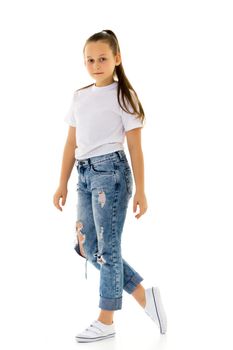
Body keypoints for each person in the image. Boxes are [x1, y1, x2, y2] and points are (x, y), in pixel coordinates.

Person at [53, 29, 167, 343]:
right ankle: (145, 297)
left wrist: (141, 189)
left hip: (111, 174)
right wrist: (61, 183)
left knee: (108, 249)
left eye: (103, 58)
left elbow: (135, 148)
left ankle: (106, 319)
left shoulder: (123, 95)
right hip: (85, 174)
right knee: (87, 247)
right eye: (90, 59)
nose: (96, 64)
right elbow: (70, 143)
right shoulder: (79, 95)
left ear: (117, 59)